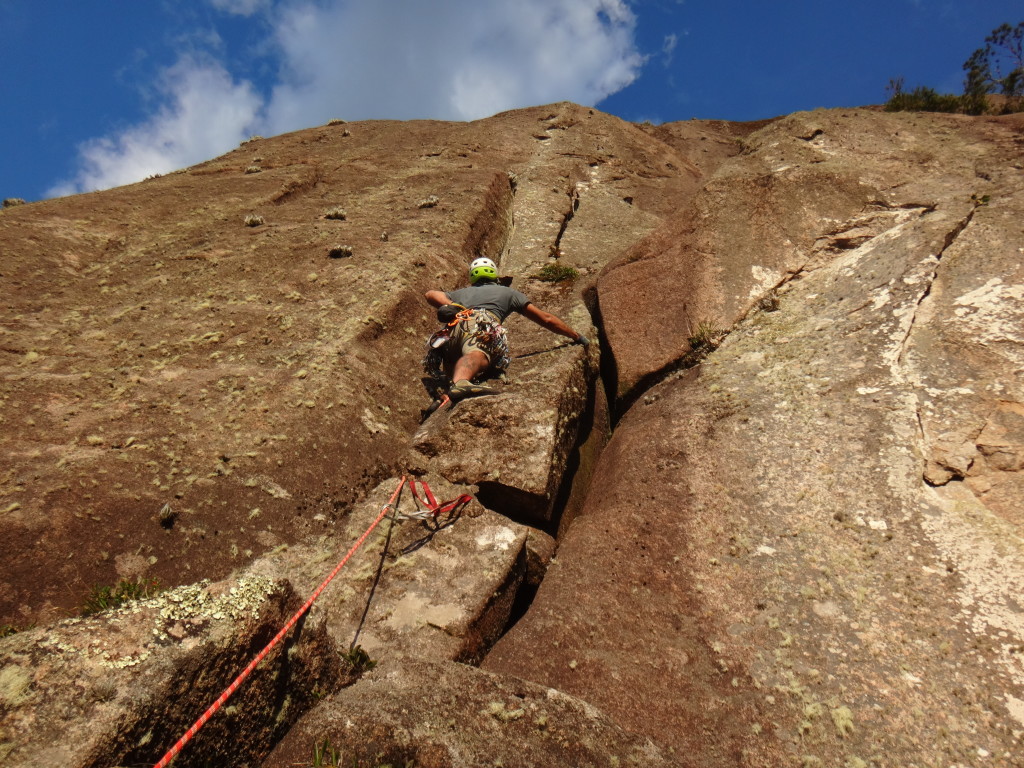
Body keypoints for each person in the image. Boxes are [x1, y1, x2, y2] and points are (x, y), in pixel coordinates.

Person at [423, 257, 590, 402]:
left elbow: (430, 293)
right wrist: (575, 335)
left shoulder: (460, 293)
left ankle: (446, 397)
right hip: (479, 325)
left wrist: (451, 306)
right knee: (477, 354)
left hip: (451, 331)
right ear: (494, 274)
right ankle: (461, 383)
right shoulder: (508, 293)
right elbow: (546, 319)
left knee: (455, 363)